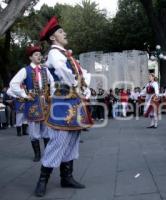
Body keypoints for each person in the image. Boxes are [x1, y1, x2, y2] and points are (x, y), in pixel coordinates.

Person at [34, 16, 93, 197]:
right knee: (58, 140)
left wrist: (85, 88)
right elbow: (63, 72)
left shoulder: (66, 54)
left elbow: (83, 74)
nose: (64, 33)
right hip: (62, 102)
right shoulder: (54, 53)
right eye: (60, 31)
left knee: (72, 139)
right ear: (53, 37)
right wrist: (79, 85)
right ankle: (43, 179)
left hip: (74, 101)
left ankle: (66, 177)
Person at [8, 45, 54, 161]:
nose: (39, 56)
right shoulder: (25, 70)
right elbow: (13, 84)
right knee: (34, 130)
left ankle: (48, 153)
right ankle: (37, 154)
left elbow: (52, 82)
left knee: (46, 130)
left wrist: (52, 95)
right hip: (32, 103)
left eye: (40, 54)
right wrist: (24, 95)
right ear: (30, 57)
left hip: (44, 102)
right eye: (36, 54)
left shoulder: (45, 69)